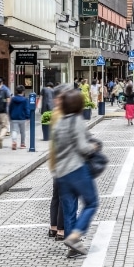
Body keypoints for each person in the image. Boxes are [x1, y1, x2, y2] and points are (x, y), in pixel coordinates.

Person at [49, 89, 99, 257]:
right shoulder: (76, 121)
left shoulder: (59, 123)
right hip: (76, 169)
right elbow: (83, 148)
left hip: (61, 172)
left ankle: (73, 247)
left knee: (69, 209)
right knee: (91, 203)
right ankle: (76, 236)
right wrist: (93, 147)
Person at [48, 83, 72, 245]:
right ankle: (61, 230)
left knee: (56, 195)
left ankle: (54, 227)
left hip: (56, 160)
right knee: (64, 197)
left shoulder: (55, 113)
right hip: (64, 161)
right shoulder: (62, 114)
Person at [8, 85, 30, 150]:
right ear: (23, 91)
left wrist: (10, 115)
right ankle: (22, 144)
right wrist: (28, 117)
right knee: (22, 131)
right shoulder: (25, 99)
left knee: (14, 130)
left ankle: (14, 141)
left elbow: (10, 108)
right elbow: (27, 108)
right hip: (22, 117)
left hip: (14, 117)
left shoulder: (13, 99)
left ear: (16, 91)